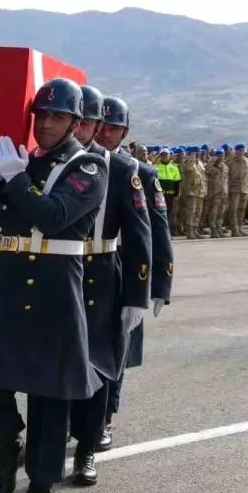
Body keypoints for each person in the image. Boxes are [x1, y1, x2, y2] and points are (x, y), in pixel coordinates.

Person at [0, 77, 108, 493]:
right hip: (5, 285)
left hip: (53, 292)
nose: (46, 124)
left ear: (74, 122)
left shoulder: (88, 167)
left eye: (57, 117)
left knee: (49, 401)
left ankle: (41, 491)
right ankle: (8, 442)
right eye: (41, 115)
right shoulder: (19, 163)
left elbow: (53, 218)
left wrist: (12, 178)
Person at [64, 90, 151, 486]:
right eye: (75, 120)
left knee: (97, 366)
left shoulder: (118, 169)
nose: (80, 129)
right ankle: (51, 437)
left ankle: (85, 449)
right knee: (57, 363)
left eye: (87, 122)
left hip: (100, 271)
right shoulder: (49, 163)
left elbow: (141, 234)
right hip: (57, 271)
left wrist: (138, 295)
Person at [96, 97, 173, 452]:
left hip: (126, 273)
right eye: (99, 125)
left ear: (125, 131)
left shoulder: (140, 172)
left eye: (112, 127)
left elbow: (157, 233)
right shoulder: (76, 165)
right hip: (85, 269)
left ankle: (104, 420)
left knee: (116, 352)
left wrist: (158, 286)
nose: (104, 132)